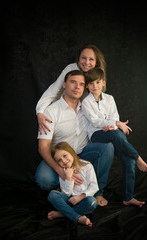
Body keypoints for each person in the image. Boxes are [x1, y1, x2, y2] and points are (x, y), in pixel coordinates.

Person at [35, 69, 114, 206]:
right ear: (64, 84)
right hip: (61, 159)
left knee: (107, 147)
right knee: (44, 180)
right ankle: (65, 185)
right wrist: (61, 172)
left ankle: (98, 192)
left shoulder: (87, 106)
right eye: (73, 82)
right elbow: (43, 147)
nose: (77, 87)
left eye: (82, 84)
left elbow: (103, 122)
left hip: (83, 154)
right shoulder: (51, 111)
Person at [81, 68, 147, 207]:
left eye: (98, 82)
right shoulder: (86, 102)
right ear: (87, 86)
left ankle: (128, 197)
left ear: (103, 83)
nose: (95, 86)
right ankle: (138, 158)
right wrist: (115, 125)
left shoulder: (110, 99)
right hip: (96, 135)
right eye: (91, 83)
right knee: (118, 134)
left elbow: (114, 117)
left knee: (128, 160)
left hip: (111, 133)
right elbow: (95, 122)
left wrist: (112, 125)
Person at [36, 44, 106, 135]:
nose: (87, 62)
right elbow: (53, 91)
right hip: (64, 110)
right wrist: (40, 113)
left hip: (84, 115)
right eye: (83, 58)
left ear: (96, 62)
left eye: (91, 59)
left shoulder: (97, 75)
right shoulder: (71, 69)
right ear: (78, 59)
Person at [47, 141, 98, 227]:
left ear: (71, 152)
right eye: (59, 160)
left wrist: (80, 197)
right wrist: (68, 178)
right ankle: (78, 217)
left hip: (83, 199)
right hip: (69, 200)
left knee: (92, 202)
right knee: (52, 195)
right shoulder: (63, 172)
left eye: (65, 155)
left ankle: (61, 213)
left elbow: (94, 186)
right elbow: (66, 193)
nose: (64, 161)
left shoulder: (87, 166)